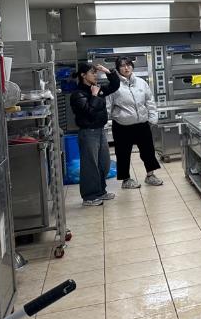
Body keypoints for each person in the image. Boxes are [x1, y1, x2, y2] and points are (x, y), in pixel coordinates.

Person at [106, 56, 163, 190]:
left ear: (132, 66)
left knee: (148, 151)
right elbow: (107, 106)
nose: (126, 68)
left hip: (142, 123)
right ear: (118, 69)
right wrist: (104, 124)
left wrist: (153, 118)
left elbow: (149, 101)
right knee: (123, 154)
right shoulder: (114, 85)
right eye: (122, 66)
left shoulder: (141, 82)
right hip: (122, 125)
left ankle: (150, 175)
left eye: (128, 65)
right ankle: (126, 179)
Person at [70, 63, 119, 207]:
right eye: (92, 73)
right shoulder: (78, 94)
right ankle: (89, 196)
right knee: (90, 165)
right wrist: (94, 96)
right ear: (83, 75)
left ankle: (100, 191)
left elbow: (115, 85)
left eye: (96, 72)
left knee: (104, 163)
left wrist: (108, 71)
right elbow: (89, 112)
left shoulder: (96, 89)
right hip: (88, 132)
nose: (95, 75)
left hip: (100, 130)